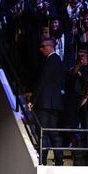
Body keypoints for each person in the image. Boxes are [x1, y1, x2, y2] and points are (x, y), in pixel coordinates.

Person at [31, 37, 65, 165]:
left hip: (45, 103)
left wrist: (33, 100)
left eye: (43, 46)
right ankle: (59, 160)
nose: (40, 49)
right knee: (53, 132)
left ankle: (43, 160)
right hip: (54, 104)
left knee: (43, 133)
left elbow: (42, 81)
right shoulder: (58, 60)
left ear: (50, 46)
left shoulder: (51, 60)